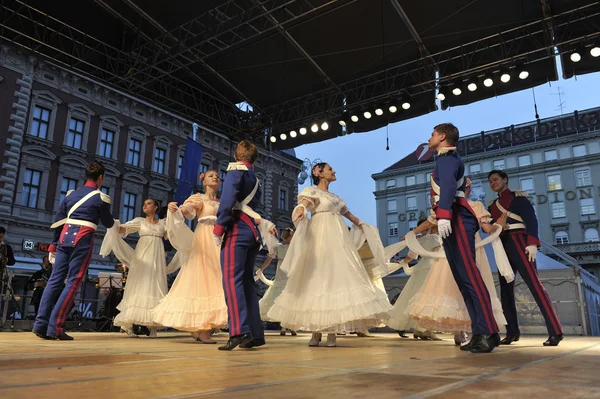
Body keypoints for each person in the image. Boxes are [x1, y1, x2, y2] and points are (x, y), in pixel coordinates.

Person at [267, 162, 392, 348]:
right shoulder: (313, 192)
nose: (334, 171)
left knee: (335, 279)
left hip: (338, 241)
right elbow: (303, 204)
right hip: (319, 238)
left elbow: (351, 217)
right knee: (317, 280)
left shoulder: (335, 198)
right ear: (318, 172)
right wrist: (300, 210)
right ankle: (316, 332)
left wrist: (364, 226)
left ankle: (332, 332)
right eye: (330, 169)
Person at [405, 178, 507, 345]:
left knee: (469, 288)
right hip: (450, 250)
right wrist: (412, 233)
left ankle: (476, 332)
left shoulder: (475, 206)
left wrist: (499, 226)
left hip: (471, 249)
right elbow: (429, 222)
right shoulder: (447, 205)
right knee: (454, 288)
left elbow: (486, 228)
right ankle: (462, 332)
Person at [427, 123, 499, 353]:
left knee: (470, 277)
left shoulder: (447, 158)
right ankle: (479, 332)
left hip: (457, 217)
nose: (429, 138)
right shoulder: (444, 158)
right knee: (463, 280)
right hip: (452, 217)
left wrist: (445, 215)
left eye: (432, 134)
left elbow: (448, 186)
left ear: (442, 137)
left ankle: (489, 332)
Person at [33, 161, 114, 340]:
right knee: (73, 282)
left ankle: (40, 324)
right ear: (101, 177)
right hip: (83, 239)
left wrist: (53, 243)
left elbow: (58, 220)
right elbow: (108, 223)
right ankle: (56, 328)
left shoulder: (71, 195)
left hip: (64, 236)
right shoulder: (101, 198)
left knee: (54, 280)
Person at [488, 170, 563, 346]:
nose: (493, 183)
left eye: (496, 179)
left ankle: (556, 331)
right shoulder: (492, 205)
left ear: (505, 180)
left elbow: (531, 219)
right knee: (505, 291)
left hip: (520, 241)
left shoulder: (519, 198)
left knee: (535, 285)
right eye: (490, 181)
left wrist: (532, 243)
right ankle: (512, 332)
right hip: (502, 245)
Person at [152, 170, 228, 343]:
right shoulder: (199, 198)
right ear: (204, 181)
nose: (215, 177)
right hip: (204, 240)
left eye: (217, 176)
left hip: (220, 240)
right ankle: (203, 329)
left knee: (218, 279)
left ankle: (205, 326)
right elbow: (186, 211)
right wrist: (176, 209)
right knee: (204, 278)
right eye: (211, 176)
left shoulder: (223, 201)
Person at [213, 140, 275, 351]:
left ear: (236, 155)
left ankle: (239, 331)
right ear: (254, 158)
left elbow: (227, 200)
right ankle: (255, 334)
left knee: (232, 281)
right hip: (251, 233)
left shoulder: (235, 170)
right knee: (247, 283)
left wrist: (219, 228)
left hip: (237, 230)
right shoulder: (255, 178)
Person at [103, 198, 169, 338]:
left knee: (155, 286)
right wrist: (112, 224)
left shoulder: (163, 224)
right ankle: (127, 325)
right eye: (144, 203)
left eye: (149, 203)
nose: (145, 205)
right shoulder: (140, 221)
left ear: (156, 207)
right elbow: (123, 229)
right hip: (143, 257)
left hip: (157, 258)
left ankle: (152, 327)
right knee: (139, 286)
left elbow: (173, 235)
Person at [385, 220, 442, 341]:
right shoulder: (435, 238)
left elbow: (411, 257)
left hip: (421, 268)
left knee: (418, 299)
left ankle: (420, 330)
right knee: (430, 299)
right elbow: (440, 255)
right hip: (432, 268)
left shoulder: (418, 240)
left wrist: (401, 264)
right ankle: (424, 330)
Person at [257, 228, 297, 336]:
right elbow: (269, 259)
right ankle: (284, 327)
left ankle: (290, 326)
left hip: (290, 273)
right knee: (280, 299)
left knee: (290, 300)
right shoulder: (278, 247)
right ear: (288, 237)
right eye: (292, 236)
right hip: (281, 273)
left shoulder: (293, 248)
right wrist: (261, 269)